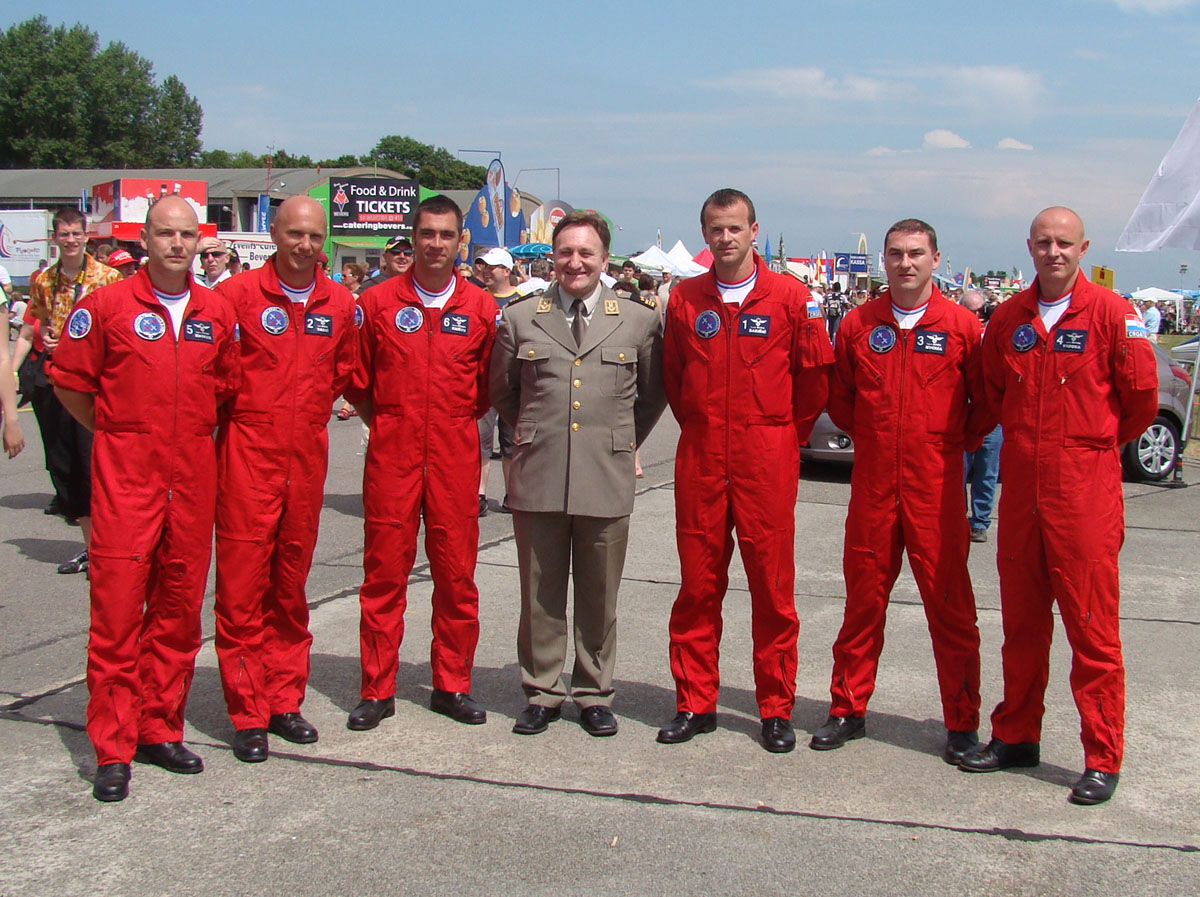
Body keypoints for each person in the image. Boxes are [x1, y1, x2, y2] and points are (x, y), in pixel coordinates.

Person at [960, 207, 1158, 806]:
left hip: (1083, 489)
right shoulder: (1009, 319)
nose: (1054, 252)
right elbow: (994, 391)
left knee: (1091, 628)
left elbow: (1141, 401)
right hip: (1023, 488)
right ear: (1029, 247)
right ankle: (1016, 735)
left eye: (1064, 243)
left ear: (1083, 248)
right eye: (1044, 242)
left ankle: (1102, 756)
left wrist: (1086, 447)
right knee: (1021, 625)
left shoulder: (1112, 314)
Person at [49, 195, 240, 802]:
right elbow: (70, 384)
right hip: (126, 484)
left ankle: (160, 728)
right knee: (116, 618)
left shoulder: (217, 311)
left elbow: (224, 388)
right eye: (165, 234)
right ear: (145, 239)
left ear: (199, 242)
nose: (177, 245)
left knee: (178, 614)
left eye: (187, 235)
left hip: (192, 482)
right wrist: (118, 433)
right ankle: (112, 746)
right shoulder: (105, 307)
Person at [657, 189, 831, 753]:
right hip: (702, 457)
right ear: (704, 234)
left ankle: (776, 709)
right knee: (697, 587)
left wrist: (781, 437)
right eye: (716, 228)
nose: (725, 237)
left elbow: (814, 382)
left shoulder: (792, 297)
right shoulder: (685, 299)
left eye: (735, 228)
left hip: (767, 458)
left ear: (755, 230)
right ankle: (695, 702)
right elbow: (675, 378)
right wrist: (705, 427)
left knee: (773, 590)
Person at [811, 219, 990, 764]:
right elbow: (840, 399)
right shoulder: (858, 324)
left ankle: (961, 722)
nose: (905, 263)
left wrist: (943, 445)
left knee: (951, 608)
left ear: (935, 258)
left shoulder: (963, 327)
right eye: (895, 254)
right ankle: (847, 708)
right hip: (873, 486)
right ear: (883, 261)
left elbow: (984, 405)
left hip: (936, 488)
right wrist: (878, 437)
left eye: (916, 253)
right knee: (863, 603)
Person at [490, 210, 665, 737]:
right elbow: (503, 390)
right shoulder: (522, 318)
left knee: (599, 594)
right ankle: (542, 691)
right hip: (539, 472)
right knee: (539, 594)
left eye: (586, 253)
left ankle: (593, 692)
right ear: (553, 257)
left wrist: (621, 439)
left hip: (606, 473)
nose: (575, 262)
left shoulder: (637, 320)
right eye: (565, 252)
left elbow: (653, 393)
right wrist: (534, 431)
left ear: (604, 259)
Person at [212, 196, 358, 763]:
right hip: (248, 452)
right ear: (274, 233)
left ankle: (283, 699)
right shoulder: (236, 296)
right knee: (242, 587)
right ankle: (247, 713)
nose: (305, 245)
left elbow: (342, 371)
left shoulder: (340, 303)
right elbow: (218, 373)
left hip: (306, 454)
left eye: (315, 236)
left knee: (290, 585)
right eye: (295, 233)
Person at [343, 195, 496, 731]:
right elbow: (358, 381)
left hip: (455, 456)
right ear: (413, 238)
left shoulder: (482, 309)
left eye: (445, 235)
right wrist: (392, 421)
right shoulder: (377, 303)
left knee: (457, 578)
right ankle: (376, 689)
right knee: (383, 577)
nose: (435, 244)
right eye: (426, 234)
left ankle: (452, 685)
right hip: (394, 455)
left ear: (461, 241)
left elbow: (486, 389)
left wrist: (448, 425)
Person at [23, 207, 121, 575]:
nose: (70, 240)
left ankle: (112, 546)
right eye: (64, 234)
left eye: (76, 234)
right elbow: (39, 323)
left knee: (96, 464)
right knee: (66, 466)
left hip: (95, 384)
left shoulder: (107, 277)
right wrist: (48, 338)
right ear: (55, 237)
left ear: (85, 236)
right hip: (57, 381)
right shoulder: (43, 280)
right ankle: (90, 548)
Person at [474, 247, 520, 516]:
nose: (486, 272)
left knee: (511, 441)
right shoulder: (477, 299)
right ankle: (478, 494)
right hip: (483, 381)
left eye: (492, 267)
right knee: (480, 440)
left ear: (506, 270)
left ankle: (512, 494)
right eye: (484, 267)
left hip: (513, 382)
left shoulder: (522, 300)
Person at [960, 290, 1003, 543]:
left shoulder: (993, 333)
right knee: (958, 471)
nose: (977, 316)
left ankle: (980, 522)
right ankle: (957, 517)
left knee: (987, 472)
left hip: (990, 416)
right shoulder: (955, 331)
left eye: (980, 311)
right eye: (971, 311)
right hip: (961, 413)